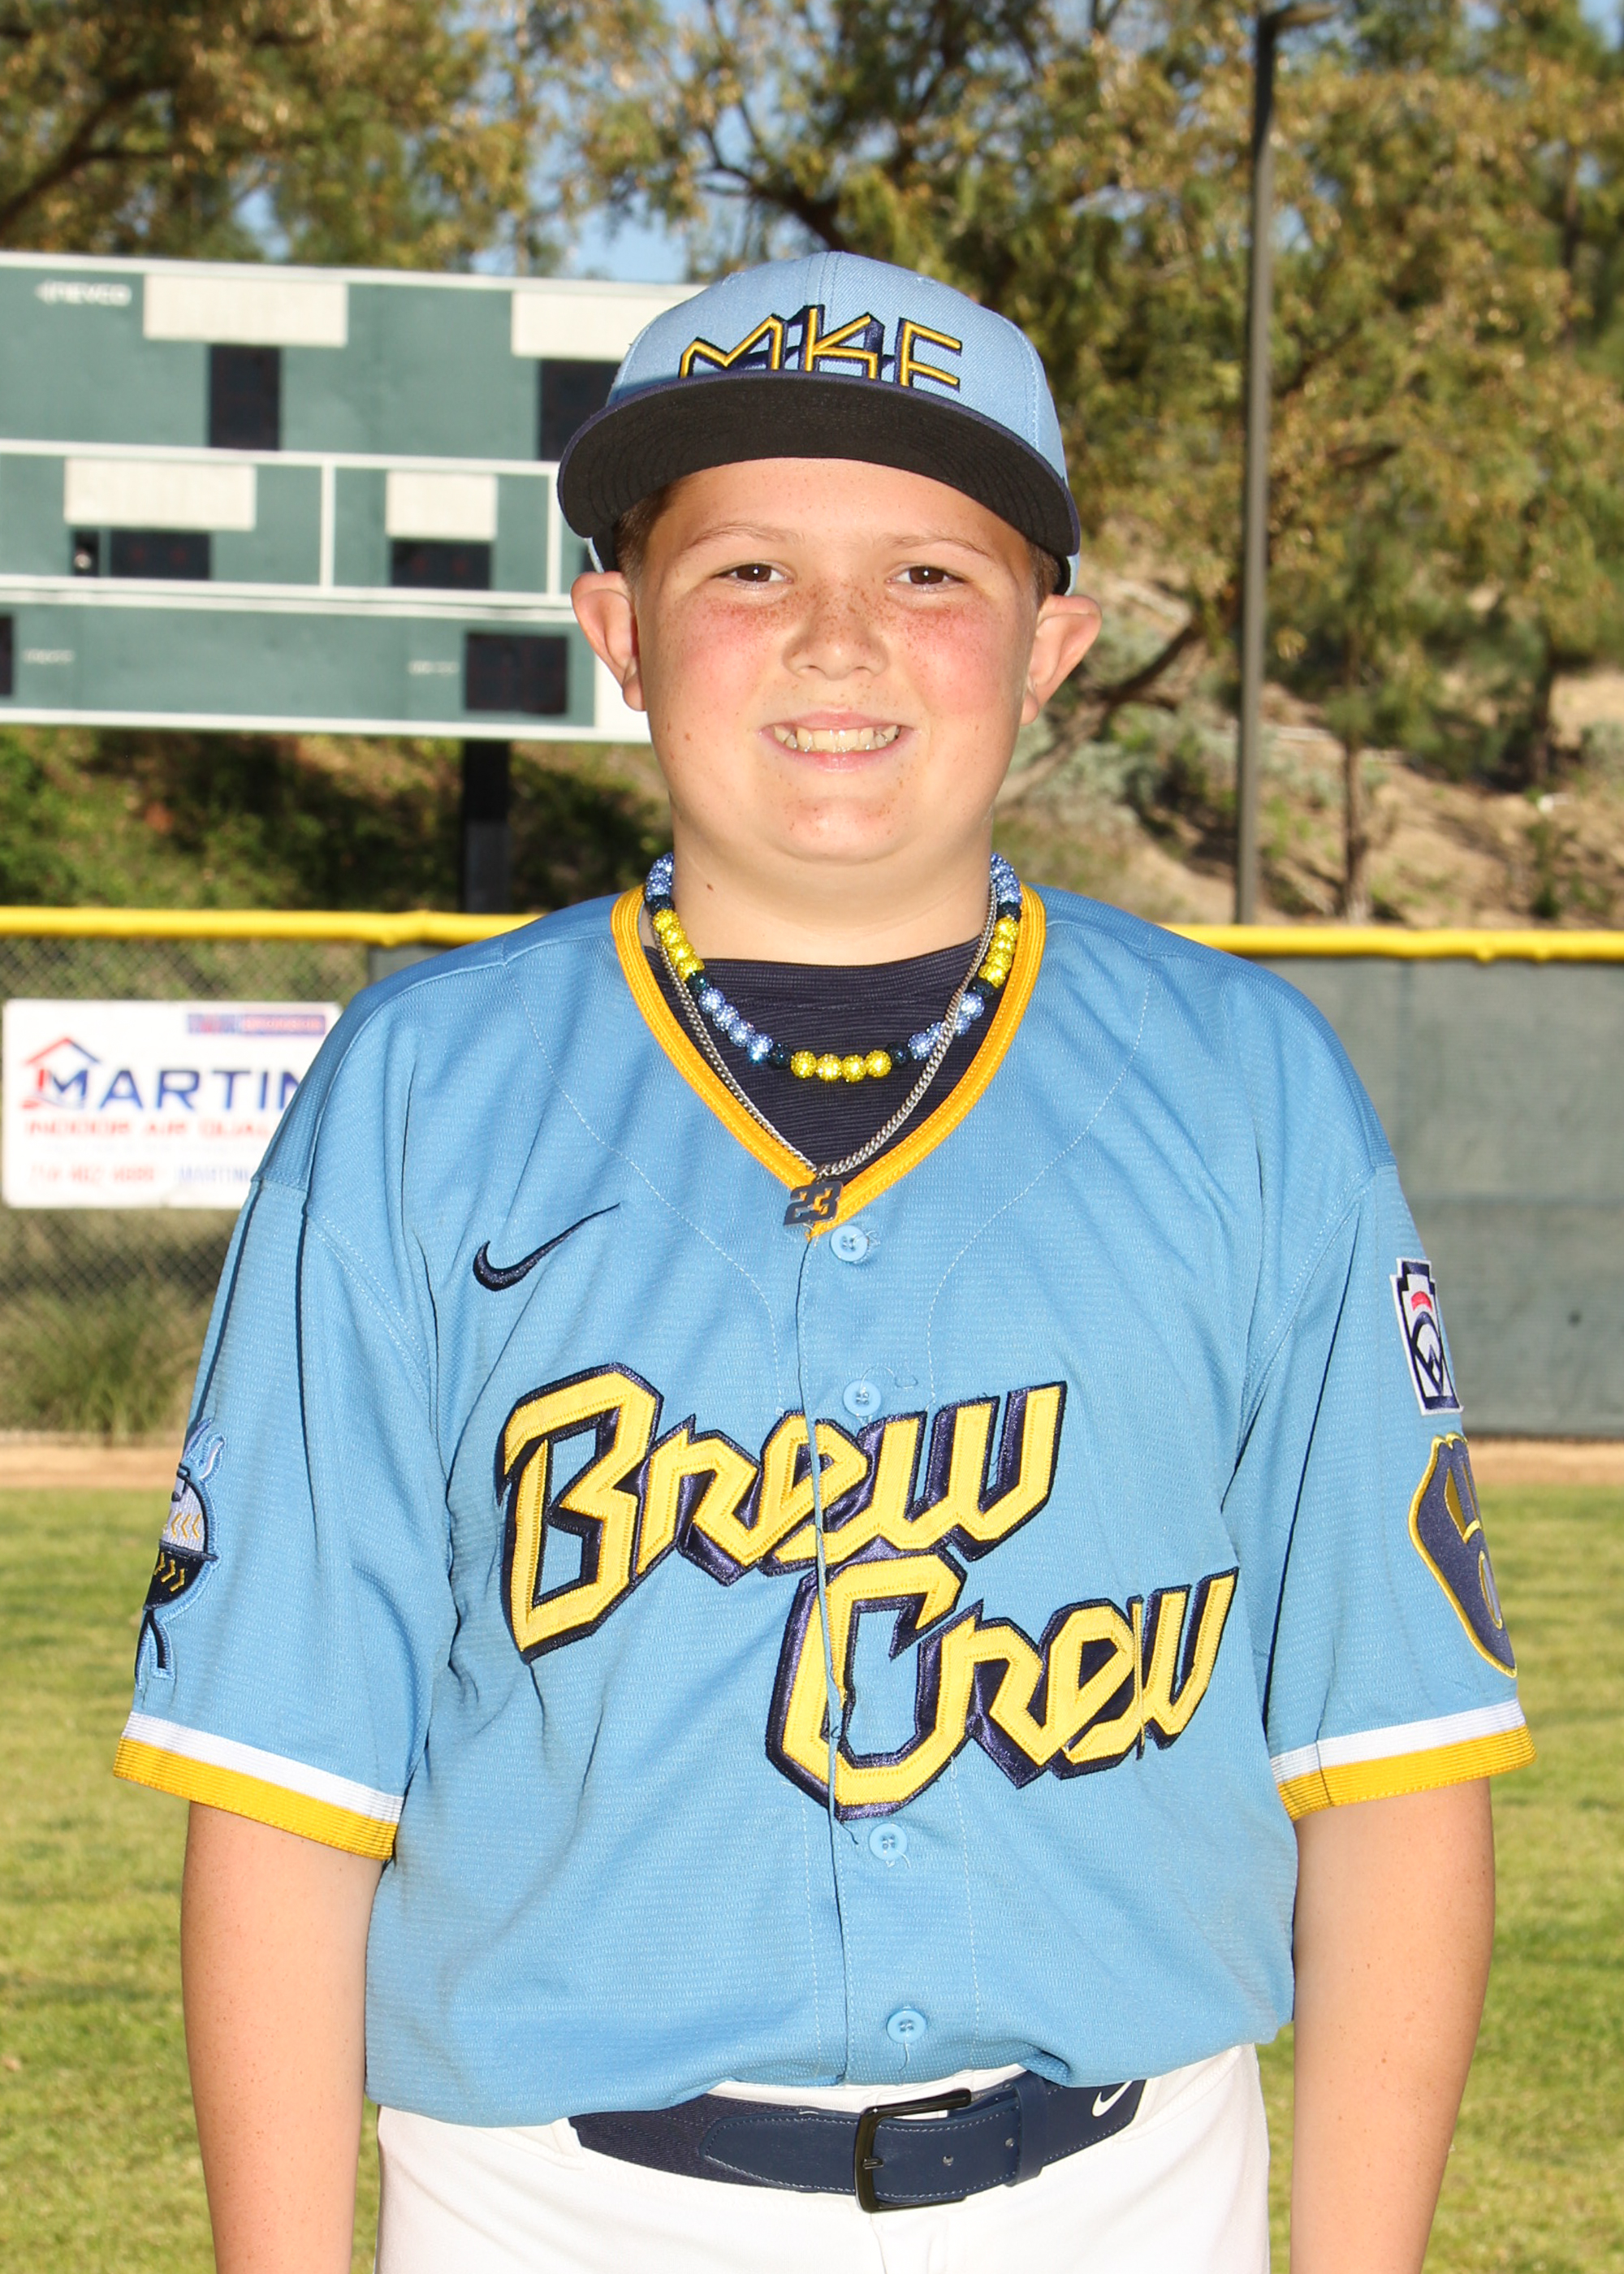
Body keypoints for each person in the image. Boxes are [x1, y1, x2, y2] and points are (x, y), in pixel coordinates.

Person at [117, 253, 1532, 2274]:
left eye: (929, 574)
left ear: (1052, 644)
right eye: (749, 570)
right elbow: (283, 1783)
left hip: (1124, 2194)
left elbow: (1385, 1768)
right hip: (545, 2204)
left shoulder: (1248, 1091)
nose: (838, 636)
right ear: (619, 629)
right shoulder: (420, 1092)